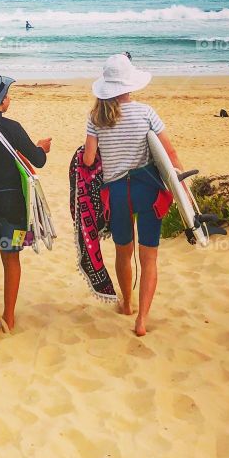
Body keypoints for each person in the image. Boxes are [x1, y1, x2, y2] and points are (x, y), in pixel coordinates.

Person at [82, 53, 183, 337]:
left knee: (123, 252)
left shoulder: (96, 117)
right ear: (129, 84)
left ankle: (127, 304)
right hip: (147, 190)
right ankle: (142, 321)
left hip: (116, 194)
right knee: (149, 257)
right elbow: (169, 153)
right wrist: (182, 186)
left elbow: (89, 160)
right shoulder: (146, 112)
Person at [0, 74, 50, 333]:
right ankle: (10, 316)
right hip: (12, 204)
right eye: (7, 94)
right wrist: (42, 147)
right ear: (1, 101)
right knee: (10, 255)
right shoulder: (13, 128)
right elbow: (38, 160)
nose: (9, 97)